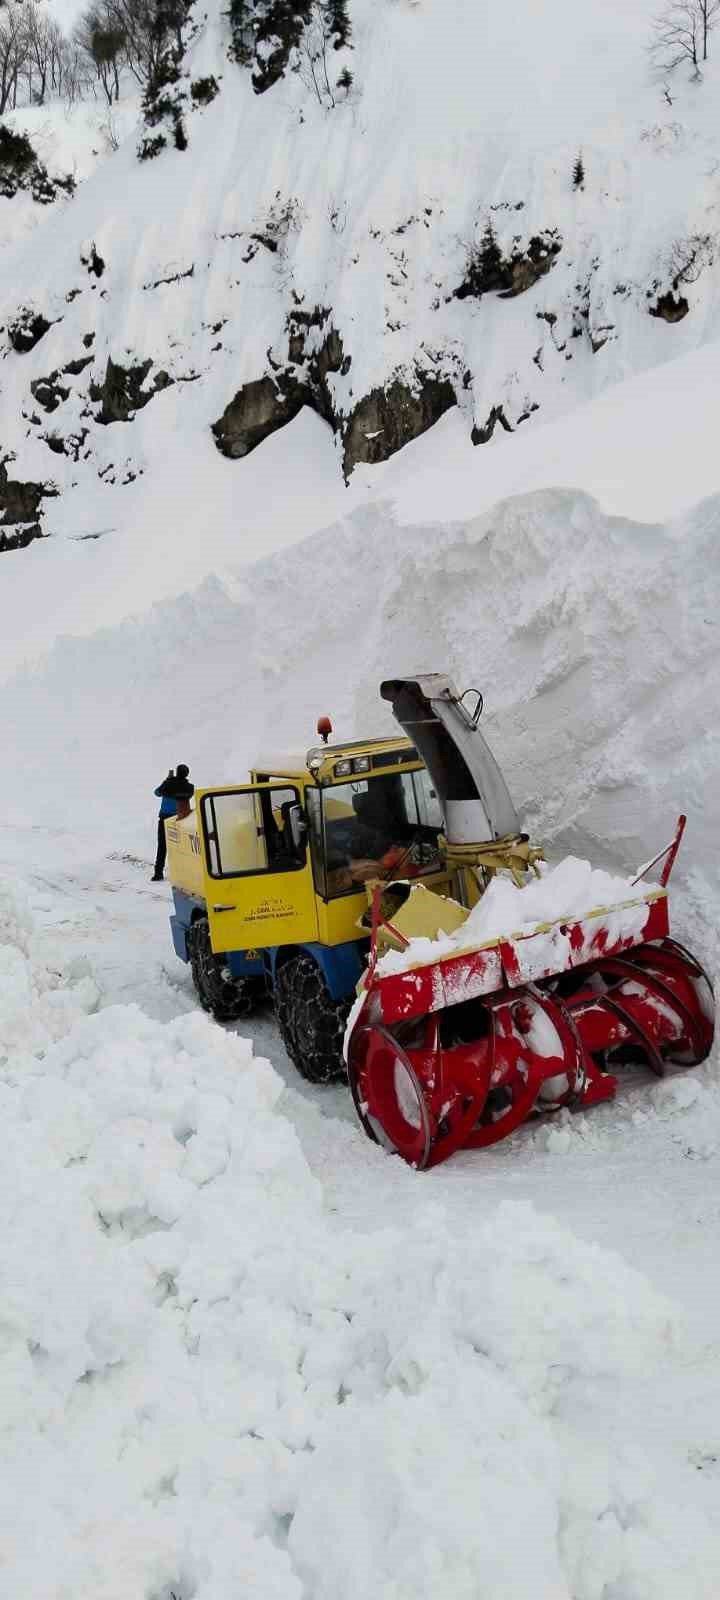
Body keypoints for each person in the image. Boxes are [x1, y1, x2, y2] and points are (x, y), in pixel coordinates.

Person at [151, 764, 194, 881]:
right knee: (180, 847)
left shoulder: (168, 784)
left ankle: (158, 873)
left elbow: (157, 793)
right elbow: (186, 795)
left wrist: (167, 780)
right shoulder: (190, 787)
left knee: (162, 846)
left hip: (165, 819)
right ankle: (181, 874)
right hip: (180, 819)